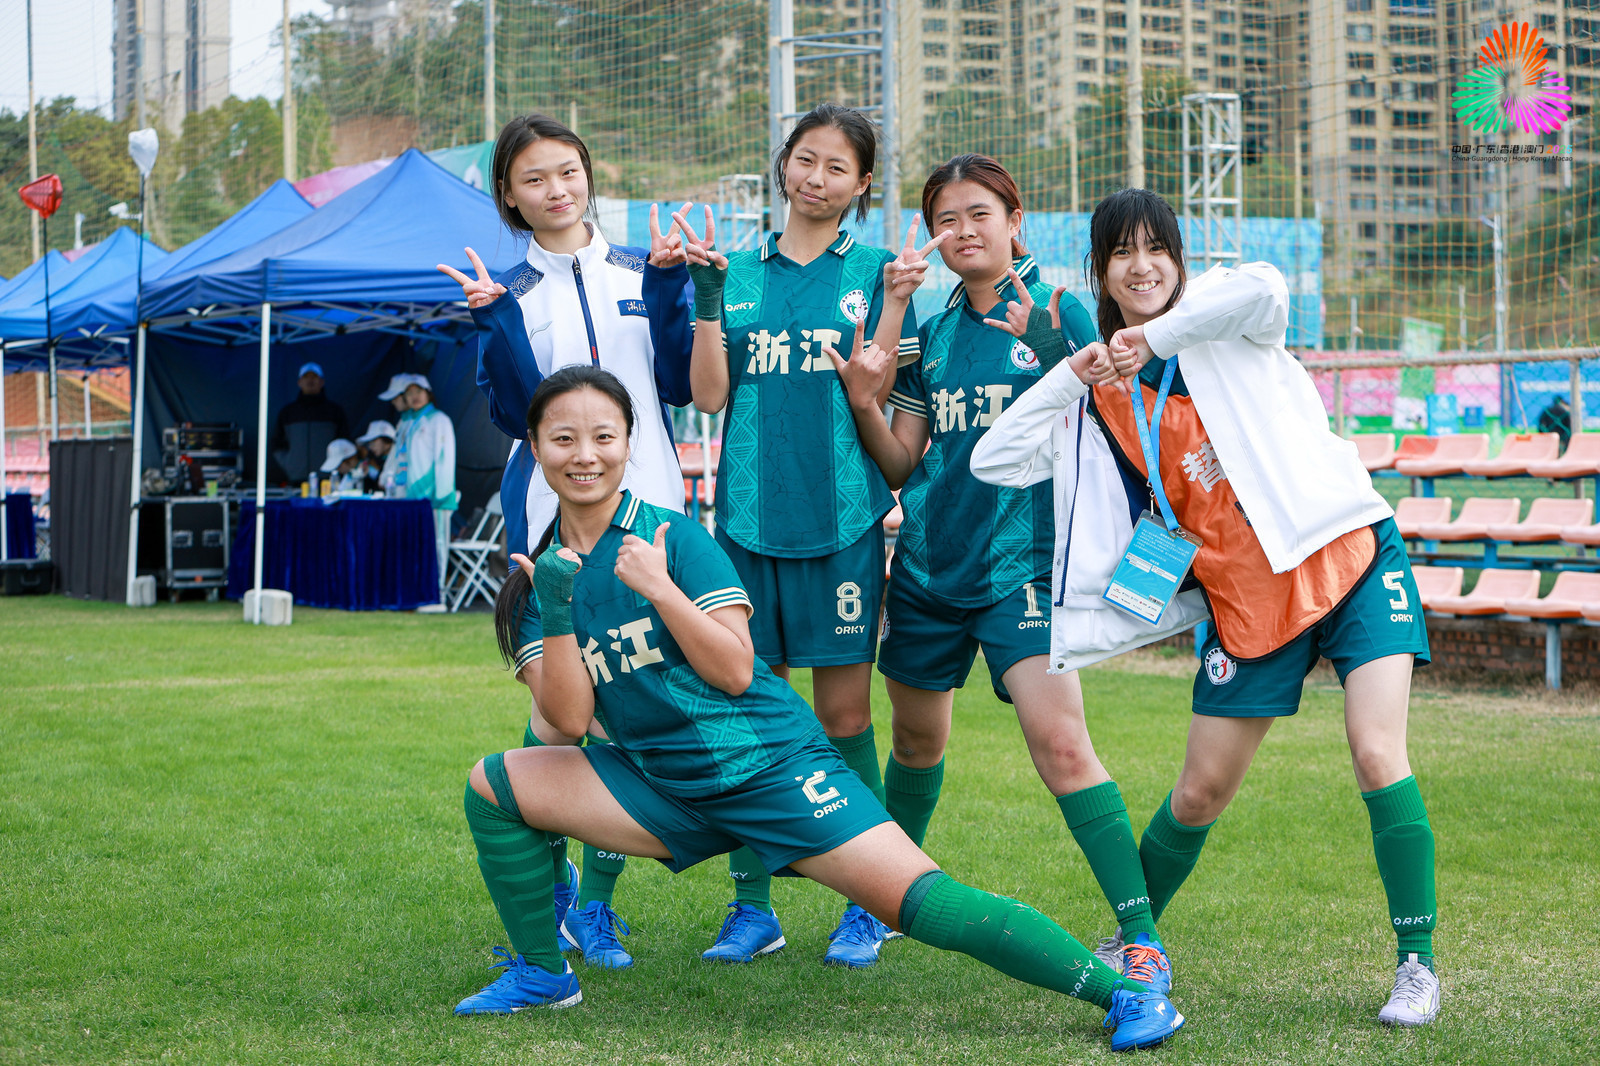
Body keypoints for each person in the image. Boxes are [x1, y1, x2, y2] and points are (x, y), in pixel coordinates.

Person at [451, 365, 1185, 1054]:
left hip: (770, 768)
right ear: (536, 449)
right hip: (661, 784)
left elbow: (736, 670)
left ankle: (1125, 994)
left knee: (921, 902)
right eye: (564, 438)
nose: (585, 455)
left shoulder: (672, 539)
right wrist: (556, 605)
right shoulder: (539, 577)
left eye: (603, 436)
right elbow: (567, 721)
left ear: (627, 444)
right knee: (495, 785)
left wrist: (661, 590)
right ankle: (543, 971)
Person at [970, 187, 1439, 1026]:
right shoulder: (1102, 390)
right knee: (1198, 794)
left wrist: (1152, 337)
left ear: (1179, 262)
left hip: (1349, 558)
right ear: (1101, 272)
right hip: (1246, 606)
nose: (1142, 266)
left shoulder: (1227, 321)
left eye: (1157, 249)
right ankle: (1136, 940)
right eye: (1122, 253)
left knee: (1376, 753)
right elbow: (995, 461)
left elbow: (1266, 288)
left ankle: (1417, 964)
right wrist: (1069, 373)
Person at [829, 154, 1173, 990]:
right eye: (945, 220)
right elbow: (904, 462)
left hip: (1025, 570)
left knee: (1062, 746)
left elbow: (1127, 417)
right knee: (917, 742)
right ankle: (879, 905)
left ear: (1015, 221)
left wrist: (1055, 350)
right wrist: (865, 402)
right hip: (927, 567)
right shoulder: (934, 332)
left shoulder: (1060, 311)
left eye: (979, 214)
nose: (962, 232)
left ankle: (1142, 939)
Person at [674, 102, 941, 966]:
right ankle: (753, 906)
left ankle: (869, 902)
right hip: (746, 526)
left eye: (837, 167)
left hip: (842, 526)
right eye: (805, 159)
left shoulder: (875, 272)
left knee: (843, 714)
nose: (816, 178)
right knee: (752, 708)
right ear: (783, 164)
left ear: (862, 185)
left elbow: (875, 392)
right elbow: (709, 396)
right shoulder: (737, 270)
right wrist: (706, 298)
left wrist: (896, 302)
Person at [437, 111, 695, 967]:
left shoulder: (643, 269)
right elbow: (516, 412)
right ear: (509, 197)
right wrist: (494, 322)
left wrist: (671, 289)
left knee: (634, 702)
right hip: (551, 521)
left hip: (650, 514)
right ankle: (551, 895)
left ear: (589, 175)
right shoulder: (506, 291)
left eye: (568, 171)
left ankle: (595, 906)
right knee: (558, 711)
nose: (557, 189)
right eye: (534, 179)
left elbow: (676, 384)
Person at [380, 373, 457, 605]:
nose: (414, 397)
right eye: (409, 393)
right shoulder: (408, 422)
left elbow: (445, 458)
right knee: (416, 545)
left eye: (418, 392)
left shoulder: (439, 420)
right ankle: (419, 592)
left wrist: (440, 494)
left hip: (434, 497)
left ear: (428, 393)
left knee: (438, 543)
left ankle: (438, 594)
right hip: (410, 499)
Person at [272, 361, 350, 485]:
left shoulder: (334, 411)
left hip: (327, 479)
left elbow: (344, 443)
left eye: (314, 377)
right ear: (299, 382)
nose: (310, 380)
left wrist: (335, 466)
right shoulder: (288, 412)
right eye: (306, 377)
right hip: (296, 479)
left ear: (321, 382)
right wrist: (290, 466)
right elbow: (277, 444)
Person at [355, 420, 395, 495]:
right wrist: (370, 472)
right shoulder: (375, 459)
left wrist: (374, 472)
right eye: (369, 443)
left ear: (387, 441)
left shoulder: (398, 458)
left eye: (373, 441)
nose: (370, 447)